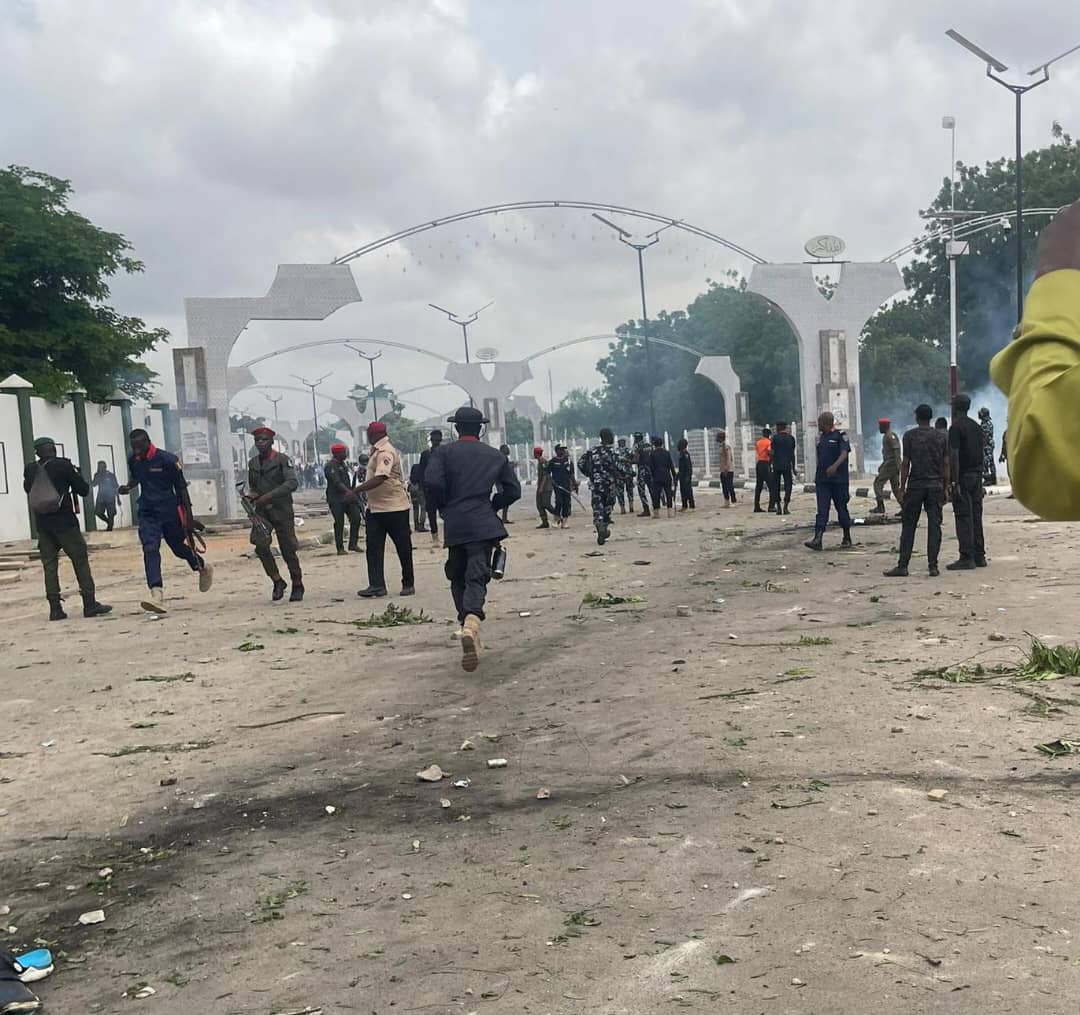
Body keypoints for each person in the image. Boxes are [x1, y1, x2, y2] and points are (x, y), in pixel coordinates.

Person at [424, 406, 520, 671]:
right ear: (480, 429)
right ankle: (472, 623)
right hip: (482, 522)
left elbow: (431, 483)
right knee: (477, 574)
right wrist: (493, 504)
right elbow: (513, 491)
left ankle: (466, 623)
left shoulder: (443, 453)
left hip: (455, 524)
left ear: (456, 428)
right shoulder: (494, 456)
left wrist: (446, 506)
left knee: (456, 574)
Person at [120, 428, 213, 615]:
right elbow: (137, 476)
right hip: (147, 511)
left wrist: (189, 518)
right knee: (150, 548)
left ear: (148, 442)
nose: (137, 452)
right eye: (133, 448)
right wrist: (128, 487)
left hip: (170, 511)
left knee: (178, 548)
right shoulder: (134, 459)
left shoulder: (168, 460)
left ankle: (201, 565)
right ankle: (156, 593)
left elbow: (181, 489)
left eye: (139, 447)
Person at [23, 437, 111, 620]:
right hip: (65, 523)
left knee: (49, 566)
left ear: (37, 452)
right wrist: (75, 474)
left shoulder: (31, 469)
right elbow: (83, 489)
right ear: (54, 449)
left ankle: (55, 609)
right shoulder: (63, 465)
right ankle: (89, 604)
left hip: (43, 525)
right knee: (80, 561)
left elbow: (27, 489)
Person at [883, 404, 949, 578]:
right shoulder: (941, 437)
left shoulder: (910, 436)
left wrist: (901, 487)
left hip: (916, 486)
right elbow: (946, 463)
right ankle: (933, 566)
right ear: (930, 418)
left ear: (917, 417)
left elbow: (905, 463)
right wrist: (946, 485)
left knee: (909, 526)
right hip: (935, 486)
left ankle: (903, 565)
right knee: (934, 526)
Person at [356, 421, 415, 597]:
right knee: (373, 548)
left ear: (373, 434)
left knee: (403, 547)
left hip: (394, 507)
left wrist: (357, 490)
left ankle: (408, 583)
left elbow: (381, 476)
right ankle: (376, 585)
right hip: (376, 508)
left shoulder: (385, 452)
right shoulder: (376, 451)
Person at [248, 426, 304, 601]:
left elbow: (292, 483)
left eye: (264, 440)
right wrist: (253, 495)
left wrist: (269, 496)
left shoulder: (282, 460)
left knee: (288, 549)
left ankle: (297, 584)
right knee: (260, 545)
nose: (260, 443)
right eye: (257, 440)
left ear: (272, 441)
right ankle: (277, 581)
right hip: (262, 512)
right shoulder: (253, 463)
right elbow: (254, 486)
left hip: (282, 510)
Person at [946, 393, 987, 570]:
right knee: (976, 516)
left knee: (963, 516)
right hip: (977, 476)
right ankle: (980, 555)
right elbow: (983, 452)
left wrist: (954, 482)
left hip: (963, 476)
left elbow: (954, 455)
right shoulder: (977, 427)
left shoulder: (955, 427)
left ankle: (966, 557)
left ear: (955, 407)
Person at [804, 412, 853, 551]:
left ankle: (847, 537)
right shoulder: (821, 438)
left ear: (825, 423)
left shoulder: (840, 436)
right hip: (823, 481)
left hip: (839, 481)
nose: (818, 425)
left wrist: (835, 466)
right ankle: (818, 538)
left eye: (819, 423)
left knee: (841, 508)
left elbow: (844, 453)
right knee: (822, 509)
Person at [579, 428, 624, 544]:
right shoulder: (613, 452)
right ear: (609, 437)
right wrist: (624, 475)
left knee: (597, 507)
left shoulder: (592, 451)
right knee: (608, 506)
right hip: (610, 485)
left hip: (596, 484)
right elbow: (620, 468)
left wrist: (590, 474)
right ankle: (603, 526)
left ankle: (600, 525)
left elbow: (581, 463)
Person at [325, 442, 361, 555]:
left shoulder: (343, 464)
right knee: (339, 522)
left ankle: (353, 544)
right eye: (343, 452)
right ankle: (340, 548)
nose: (345, 454)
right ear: (337, 453)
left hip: (348, 498)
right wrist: (349, 492)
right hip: (336, 499)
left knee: (356, 518)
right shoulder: (330, 466)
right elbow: (336, 482)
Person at [871, 417, 903, 515]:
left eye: (880, 426)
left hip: (891, 465)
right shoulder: (888, 436)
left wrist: (898, 466)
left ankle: (880, 506)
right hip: (891, 464)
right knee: (895, 488)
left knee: (878, 483)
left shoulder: (890, 436)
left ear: (884, 426)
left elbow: (896, 451)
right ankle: (905, 507)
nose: (879, 428)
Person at [417, 430, 443, 545]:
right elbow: (421, 472)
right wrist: (422, 488)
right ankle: (436, 538)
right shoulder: (426, 454)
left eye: (437, 440)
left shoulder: (444, 453)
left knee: (444, 514)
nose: (436, 442)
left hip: (440, 489)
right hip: (431, 489)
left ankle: (441, 538)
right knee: (433, 514)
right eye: (434, 440)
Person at [770, 422, 797, 515]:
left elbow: (772, 453)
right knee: (788, 486)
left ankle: (778, 507)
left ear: (780, 427)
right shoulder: (791, 439)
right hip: (787, 465)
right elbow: (792, 454)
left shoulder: (775, 438)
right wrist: (793, 467)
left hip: (777, 466)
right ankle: (786, 506)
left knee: (775, 486)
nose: (776, 429)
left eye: (777, 427)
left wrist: (770, 464)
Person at [548, 445, 577, 527]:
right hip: (557, 485)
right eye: (561, 450)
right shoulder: (553, 461)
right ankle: (556, 519)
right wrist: (552, 481)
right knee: (559, 502)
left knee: (566, 503)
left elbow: (571, 474)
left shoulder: (568, 461)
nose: (563, 451)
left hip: (566, 485)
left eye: (564, 450)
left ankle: (565, 521)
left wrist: (574, 484)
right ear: (556, 451)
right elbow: (547, 473)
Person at [648, 435, 675, 517]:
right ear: (662, 444)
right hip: (667, 475)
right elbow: (671, 465)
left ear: (654, 445)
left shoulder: (652, 454)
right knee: (668, 494)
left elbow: (651, 467)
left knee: (656, 495)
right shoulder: (667, 453)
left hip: (657, 476)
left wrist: (653, 476)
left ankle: (656, 513)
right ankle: (670, 512)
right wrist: (674, 475)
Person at [91, 460, 120, 531]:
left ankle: (110, 527)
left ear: (105, 467)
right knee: (98, 512)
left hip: (110, 496)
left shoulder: (110, 475)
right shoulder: (97, 475)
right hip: (101, 496)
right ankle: (108, 522)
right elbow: (93, 484)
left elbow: (116, 487)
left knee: (111, 513)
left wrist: (118, 498)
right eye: (99, 467)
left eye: (102, 467)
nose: (100, 468)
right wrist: (97, 478)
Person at [533, 445, 555, 528]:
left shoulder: (542, 461)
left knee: (546, 504)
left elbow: (546, 475)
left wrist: (541, 487)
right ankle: (545, 522)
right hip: (541, 486)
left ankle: (558, 515)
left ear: (536, 453)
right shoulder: (540, 461)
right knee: (539, 504)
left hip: (546, 486)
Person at [632, 433, 653, 517]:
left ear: (636, 439)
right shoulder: (649, 446)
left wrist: (626, 461)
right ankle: (656, 507)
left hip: (642, 470)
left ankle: (646, 509)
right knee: (652, 489)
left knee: (641, 491)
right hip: (651, 470)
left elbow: (636, 460)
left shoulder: (637, 447)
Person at [753, 426, 773, 512]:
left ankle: (756, 506)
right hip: (765, 463)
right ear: (769, 435)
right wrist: (771, 461)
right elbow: (769, 452)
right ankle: (771, 506)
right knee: (771, 486)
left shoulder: (758, 442)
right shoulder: (769, 442)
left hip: (759, 464)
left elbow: (758, 451)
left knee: (759, 486)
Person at [716, 430, 736, 507]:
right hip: (724, 469)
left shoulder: (725, 446)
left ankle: (731, 500)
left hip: (727, 470)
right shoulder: (722, 446)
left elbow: (728, 458)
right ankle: (727, 501)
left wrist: (726, 468)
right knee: (725, 486)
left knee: (728, 485)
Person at [615, 437, 635, 514]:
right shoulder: (628, 450)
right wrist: (628, 461)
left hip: (619, 473)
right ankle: (631, 506)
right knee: (630, 490)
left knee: (620, 491)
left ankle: (622, 508)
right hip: (628, 473)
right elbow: (633, 458)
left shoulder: (615, 451)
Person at [978, 407, 997, 486]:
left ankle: (987, 479)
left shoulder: (985, 424)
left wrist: (981, 445)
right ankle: (993, 478)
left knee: (985, 462)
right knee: (991, 461)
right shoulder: (989, 423)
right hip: (990, 444)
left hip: (986, 445)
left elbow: (984, 437)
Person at [498, 444, 516, 523]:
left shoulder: (502, 458)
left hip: (503, 481)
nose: (508, 450)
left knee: (505, 500)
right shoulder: (501, 458)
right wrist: (512, 465)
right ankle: (502, 518)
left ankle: (504, 518)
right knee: (504, 499)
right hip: (501, 481)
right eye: (506, 449)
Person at [676, 438, 695, 510]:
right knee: (683, 490)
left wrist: (687, 476)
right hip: (682, 475)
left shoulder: (685, 454)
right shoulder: (681, 454)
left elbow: (688, 466)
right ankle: (684, 505)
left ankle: (691, 505)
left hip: (686, 476)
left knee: (688, 491)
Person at [408, 459, 426, 532]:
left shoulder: (414, 466)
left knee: (415, 508)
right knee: (423, 507)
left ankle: (416, 526)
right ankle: (421, 526)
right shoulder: (423, 468)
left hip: (412, 488)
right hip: (419, 488)